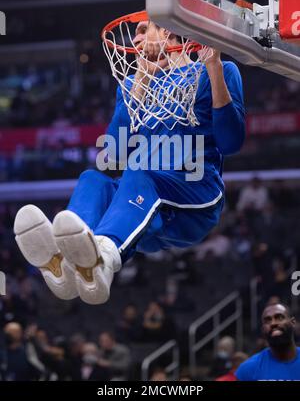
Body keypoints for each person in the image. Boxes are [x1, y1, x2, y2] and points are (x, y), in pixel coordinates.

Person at [14, 19, 245, 305]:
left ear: (169, 31)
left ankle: (105, 255)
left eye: (144, 29)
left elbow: (231, 143)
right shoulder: (131, 86)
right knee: (93, 179)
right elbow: (114, 155)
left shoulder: (216, 71)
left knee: (137, 172)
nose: (136, 37)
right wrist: (141, 80)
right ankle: (71, 264)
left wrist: (214, 69)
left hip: (194, 195)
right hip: (143, 209)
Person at [236, 303, 300, 381]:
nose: (273, 323)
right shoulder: (248, 369)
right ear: (263, 329)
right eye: (268, 320)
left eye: (279, 317)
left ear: (293, 322)